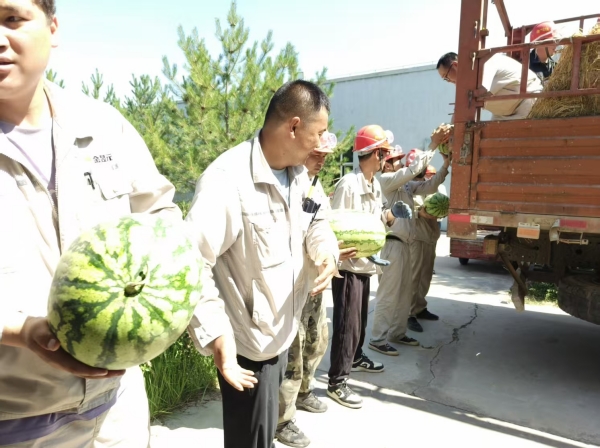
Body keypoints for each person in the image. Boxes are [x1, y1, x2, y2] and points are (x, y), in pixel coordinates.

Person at [0, 1, 181, 446]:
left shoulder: (103, 125)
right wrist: (18, 331)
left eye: (11, 18)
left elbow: (161, 218)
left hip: (118, 410)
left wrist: (194, 315)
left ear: (52, 28)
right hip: (19, 422)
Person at [185, 80, 340, 448]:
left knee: (264, 435)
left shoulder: (298, 174)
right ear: (294, 126)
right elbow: (190, 262)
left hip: (282, 332)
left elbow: (316, 220)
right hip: (247, 347)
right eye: (318, 132)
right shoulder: (227, 182)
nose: (322, 142)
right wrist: (217, 337)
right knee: (250, 440)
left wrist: (326, 252)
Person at [276, 133, 356, 448]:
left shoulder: (317, 186)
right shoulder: (285, 184)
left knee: (317, 341)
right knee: (292, 356)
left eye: (325, 155)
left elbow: (320, 229)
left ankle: (305, 391)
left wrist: (331, 252)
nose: (321, 160)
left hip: (315, 281)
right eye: (317, 153)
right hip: (291, 287)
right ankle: (282, 420)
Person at [368, 141, 446, 354]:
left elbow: (430, 186)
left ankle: (397, 333)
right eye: (396, 160)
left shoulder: (405, 186)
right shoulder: (386, 180)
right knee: (388, 295)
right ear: (387, 164)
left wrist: (446, 165)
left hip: (405, 244)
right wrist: (433, 145)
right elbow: (412, 171)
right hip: (392, 244)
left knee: (404, 295)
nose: (400, 163)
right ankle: (377, 339)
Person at [436, 51, 543, 120]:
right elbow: (462, 106)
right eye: (445, 79)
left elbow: (481, 93)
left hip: (526, 102)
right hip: (503, 114)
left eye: (446, 76)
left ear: (455, 65)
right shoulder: (471, 79)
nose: (448, 81)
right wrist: (451, 129)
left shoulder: (487, 63)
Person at [407, 163, 449, 333]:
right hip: (416, 237)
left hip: (431, 237)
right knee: (414, 276)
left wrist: (442, 210)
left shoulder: (428, 185)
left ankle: (420, 307)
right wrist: (419, 213)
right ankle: (408, 313)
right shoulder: (405, 186)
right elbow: (399, 210)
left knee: (426, 275)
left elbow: (441, 205)